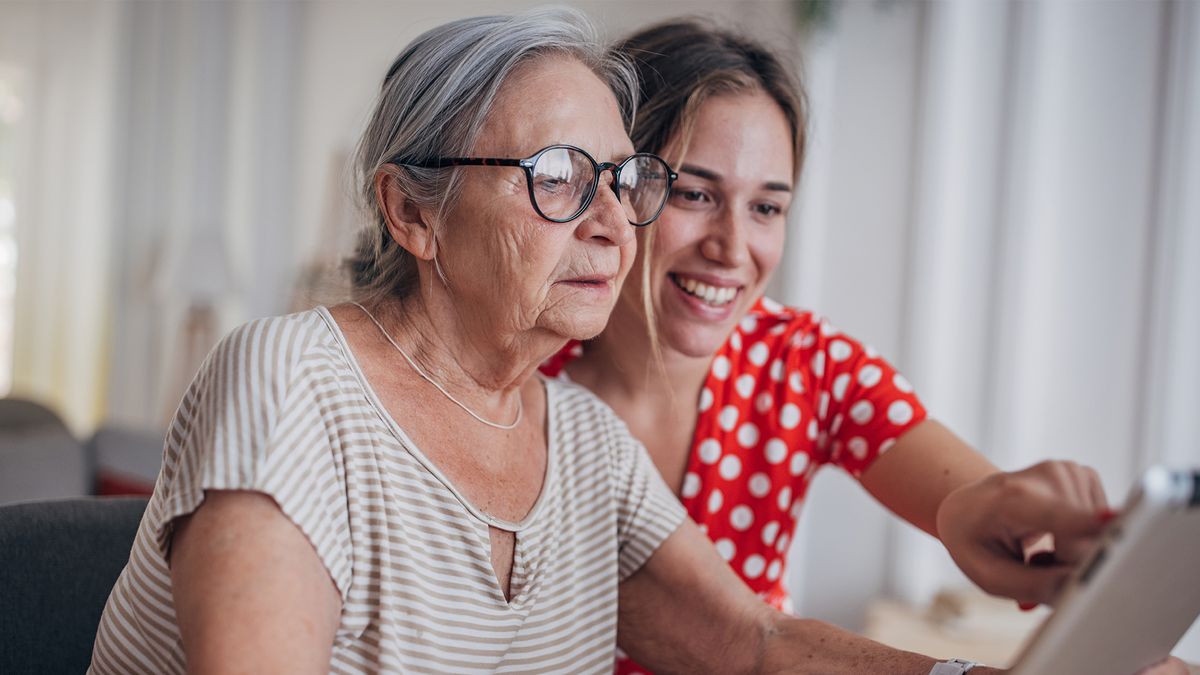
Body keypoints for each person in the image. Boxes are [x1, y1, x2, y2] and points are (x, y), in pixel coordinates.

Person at [87, 9, 1179, 675]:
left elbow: (748, 647)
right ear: (414, 214)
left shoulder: (578, 439)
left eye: (623, 181)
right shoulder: (291, 381)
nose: (616, 220)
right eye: (560, 180)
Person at [541, 19, 1186, 675]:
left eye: (767, 207)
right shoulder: (519, 376)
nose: (733, 249)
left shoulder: (800, 361)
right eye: (695, 193)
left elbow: (969, 497)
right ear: (611, 184)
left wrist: (1014, 513)